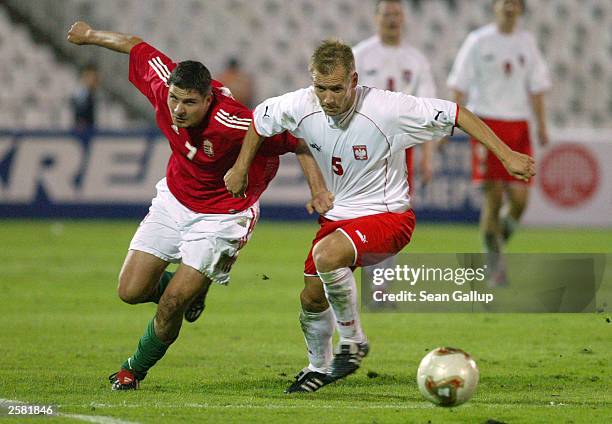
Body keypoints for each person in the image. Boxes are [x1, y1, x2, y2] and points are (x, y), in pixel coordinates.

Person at [224, 39, 535, 393]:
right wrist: (239, 168)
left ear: (353, 80)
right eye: (320, 88)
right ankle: (318, 366)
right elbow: (260, 121)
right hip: (337, 219)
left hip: (388, 217)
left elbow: (457, 114)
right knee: (311, 297)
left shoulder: (389, 108)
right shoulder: (299, 104)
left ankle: (353, 341)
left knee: (327, 257)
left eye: (336, 89)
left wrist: (507, 154)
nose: (327, 98)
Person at [66, 21, 329, 390]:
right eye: (175, 98)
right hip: (174, 200)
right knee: (130, 291)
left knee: (172, 303)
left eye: (190, 102)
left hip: (224, 215)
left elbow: (296, 140)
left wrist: (316, 190)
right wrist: (90, 36)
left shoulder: (232, 119)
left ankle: (132, 369)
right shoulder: (164, 86)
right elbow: (133, 44)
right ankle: (193, 287)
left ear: (208, 99)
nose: (178, 109)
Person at [447, 0, 551, 285]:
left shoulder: (527, 42)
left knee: (520, 200)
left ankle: (491, 248)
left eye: (515, 3)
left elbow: (538, 86)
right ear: (495, 6)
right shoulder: (478, 41)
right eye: (505, 2)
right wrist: (448, 123)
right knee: (493, 198)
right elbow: (459, 84)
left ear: (521, 9)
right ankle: (495, 267)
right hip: (487, 123)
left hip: (518, 124)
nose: (509, 7)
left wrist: (541, 124)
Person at [353, 0, 438, 290]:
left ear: (404, 19)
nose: (392, 20)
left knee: (394, 212)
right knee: (365, 210)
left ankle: (380, 283)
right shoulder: (360, 55)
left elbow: (427, 111)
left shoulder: (416, 60)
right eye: (387, 14)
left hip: (402, 145)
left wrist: (428, 155)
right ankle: (366, 278)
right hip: (364, 143)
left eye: (397, 14)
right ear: (376, 18)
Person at [71, 62, 99, 130]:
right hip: (83, 128)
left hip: (90, 126)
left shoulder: (93, 93)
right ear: (85, 76)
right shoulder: (80, 92)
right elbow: (79, 112)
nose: (95, 79)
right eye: (92, 76)